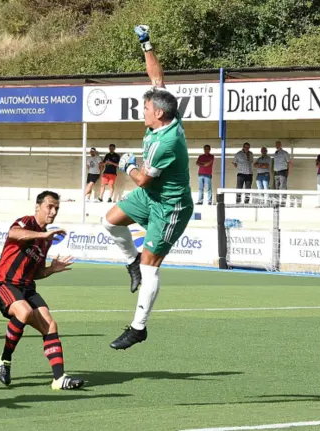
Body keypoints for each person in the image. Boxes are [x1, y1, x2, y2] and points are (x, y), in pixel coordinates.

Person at [101, 25, 194, 350]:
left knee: (151, 264)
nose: (142, 111)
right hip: (150, 197)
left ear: (158, 113)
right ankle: (131, 264)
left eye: (145, 109)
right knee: (110, 221)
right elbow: (156, 76)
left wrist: (126, 163)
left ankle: (138, 327)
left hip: (170, 206)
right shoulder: (169, 115)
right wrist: (146, 42)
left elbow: (141, 178)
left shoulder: (165, 143)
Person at [0, 191, 83, 390]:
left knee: (50, 325)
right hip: (5, 283)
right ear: (37, 207)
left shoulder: (46, 241)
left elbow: (37, 272)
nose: (53, 211)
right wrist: (43, 234)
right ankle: (5, 360)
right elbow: (14, 233)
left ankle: (59, 378)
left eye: (56, 208)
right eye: (49, 206)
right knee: (24, 311)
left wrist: (51, 269)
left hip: (27, 287)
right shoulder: (26, 222)